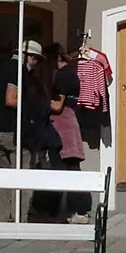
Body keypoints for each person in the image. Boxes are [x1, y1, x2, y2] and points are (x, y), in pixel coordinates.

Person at [50, 42, 90, 222]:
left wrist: (39, 104)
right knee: (72, 167)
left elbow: (58, 105)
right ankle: (77, 210)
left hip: (62, 124)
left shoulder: (63, 76)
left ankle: (72, 210)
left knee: (63, 168)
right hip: (71, 121)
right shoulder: (72, 74)